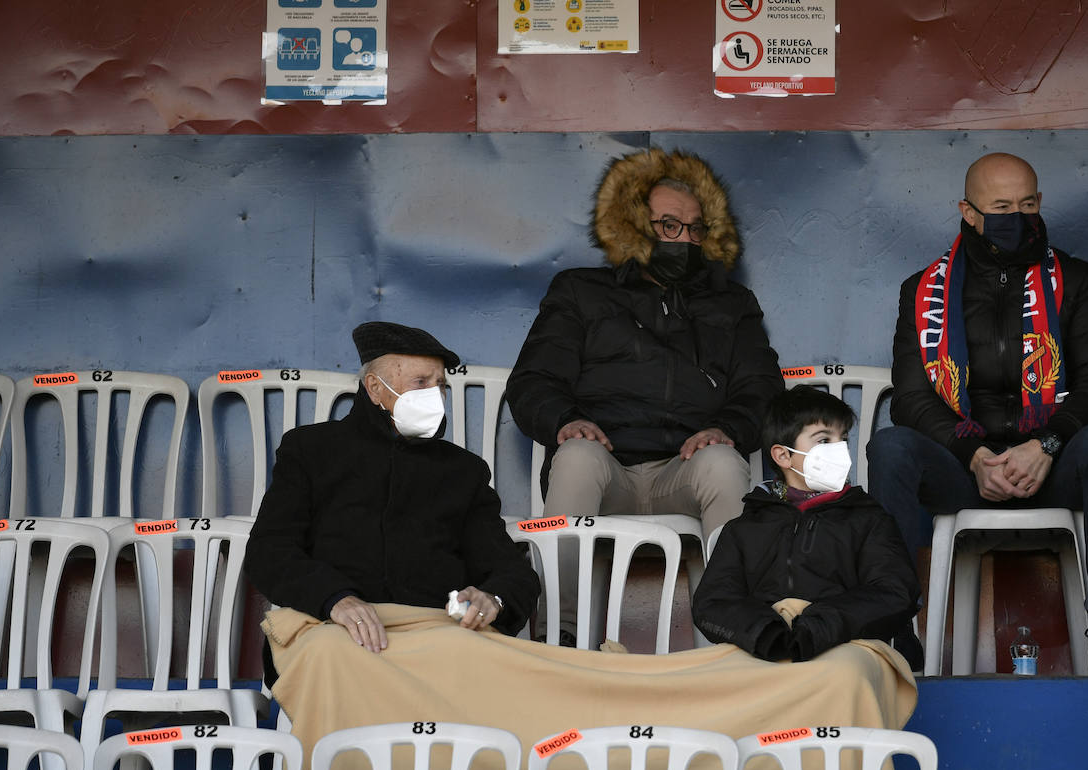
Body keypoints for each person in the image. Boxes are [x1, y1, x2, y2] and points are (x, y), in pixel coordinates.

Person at [868, 152, 1088, 676]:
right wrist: (973, 455)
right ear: (968, 211)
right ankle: (894, 631)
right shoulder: (922, 290)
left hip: (1050, 463)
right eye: (1000, 207)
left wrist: (1048, 445)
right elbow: (910, 398)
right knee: (891, 446)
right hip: (966, 467)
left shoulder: (1079, 280)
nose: (1016, 218)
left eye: (1027, 204)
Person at [508, 147, 783, 644]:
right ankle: (560, 638)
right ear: (633, 227)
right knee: (574, 457)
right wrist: (566, 421)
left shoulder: (731, 303)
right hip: (605, 464)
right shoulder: (579, 290)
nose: (684, 240)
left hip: (683, 467)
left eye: (695, 229)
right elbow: (532, 382)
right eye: (669, 226)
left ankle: (736, 634)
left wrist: (727, 429)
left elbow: (761, 389)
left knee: (724, 462)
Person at [246, 320, 539, 686]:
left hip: (436, 636)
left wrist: (493, 599)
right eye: (421, 383)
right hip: (333, 628)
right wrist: (334, 599)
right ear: (374, 388)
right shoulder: (311, 451)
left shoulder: (463, 472)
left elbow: (512, 573)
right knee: (332, 655)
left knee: (508, 668)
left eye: (441, 386)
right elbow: (269, 550)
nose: (436, 395)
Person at [692, 386, 922, 669]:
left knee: (846, 676)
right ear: (783, 456)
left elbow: (895, 592)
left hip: (844, 647)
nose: (838, 451)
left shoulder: (869, 520)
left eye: (843, 440)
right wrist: (765, 634)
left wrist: (822, 626)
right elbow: (712, 602)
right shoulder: (745, 528)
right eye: (824, 440)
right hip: (764, 652)